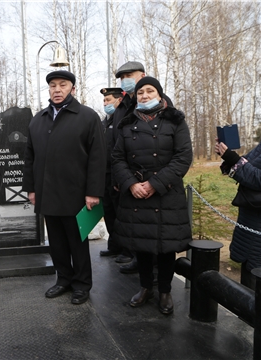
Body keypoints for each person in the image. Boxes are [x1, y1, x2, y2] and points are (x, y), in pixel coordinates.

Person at [22, 70, 106, 305]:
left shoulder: (87, 117)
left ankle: (81, 284)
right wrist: (31, 188)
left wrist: (93, 191)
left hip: (76, 194)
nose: (57, 90)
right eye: (52, 86)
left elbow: (98, 157)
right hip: (47, 193)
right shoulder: (38, 120)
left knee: (77, 243)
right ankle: (63, 279)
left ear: (73, 89)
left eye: (62, 85)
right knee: (57, 242)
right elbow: (30, 158)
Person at [112, 76, 192, 315]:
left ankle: (165, 291)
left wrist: (155, 184)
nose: (144, 96)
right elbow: (117, 158)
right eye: (140, 93)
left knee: (166, 247)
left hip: (165, 193)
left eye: (150, 91)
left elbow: (183, 157)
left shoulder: (175, 121)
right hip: (136, 193)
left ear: (159, 94)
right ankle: (146, 287)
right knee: (142, 245)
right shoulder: (127, 124)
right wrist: (130, 184)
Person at [113, 61, 175, 274]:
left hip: (158, 183)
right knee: (138, 229)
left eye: (130, 75)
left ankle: (158, 274)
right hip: (131, 179)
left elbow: (176, 152)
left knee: (157, 231)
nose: (126, 80)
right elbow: (118, 147)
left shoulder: (163, 105)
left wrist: (154, 182)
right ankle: (141, 264)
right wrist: (125, 180)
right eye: (122, 77)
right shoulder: (125, 105)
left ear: (143, 74)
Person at [215, 141, 261, 290]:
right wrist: (228, 157)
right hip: (250, 218)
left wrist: (233, 159)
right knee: (248, 276)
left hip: (258, 224)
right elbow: (247, 164)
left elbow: (257, 178)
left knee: (256, 276)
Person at [99, 87, 124, 258]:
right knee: (108, 211)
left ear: (119, 100)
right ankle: (114, 246)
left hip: (117, 175)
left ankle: (126, 250)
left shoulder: (122, 121)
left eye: (108, 100)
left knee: (120, 213)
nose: (105, 103)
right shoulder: (104, 122)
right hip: (104, 175)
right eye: (104, 101)